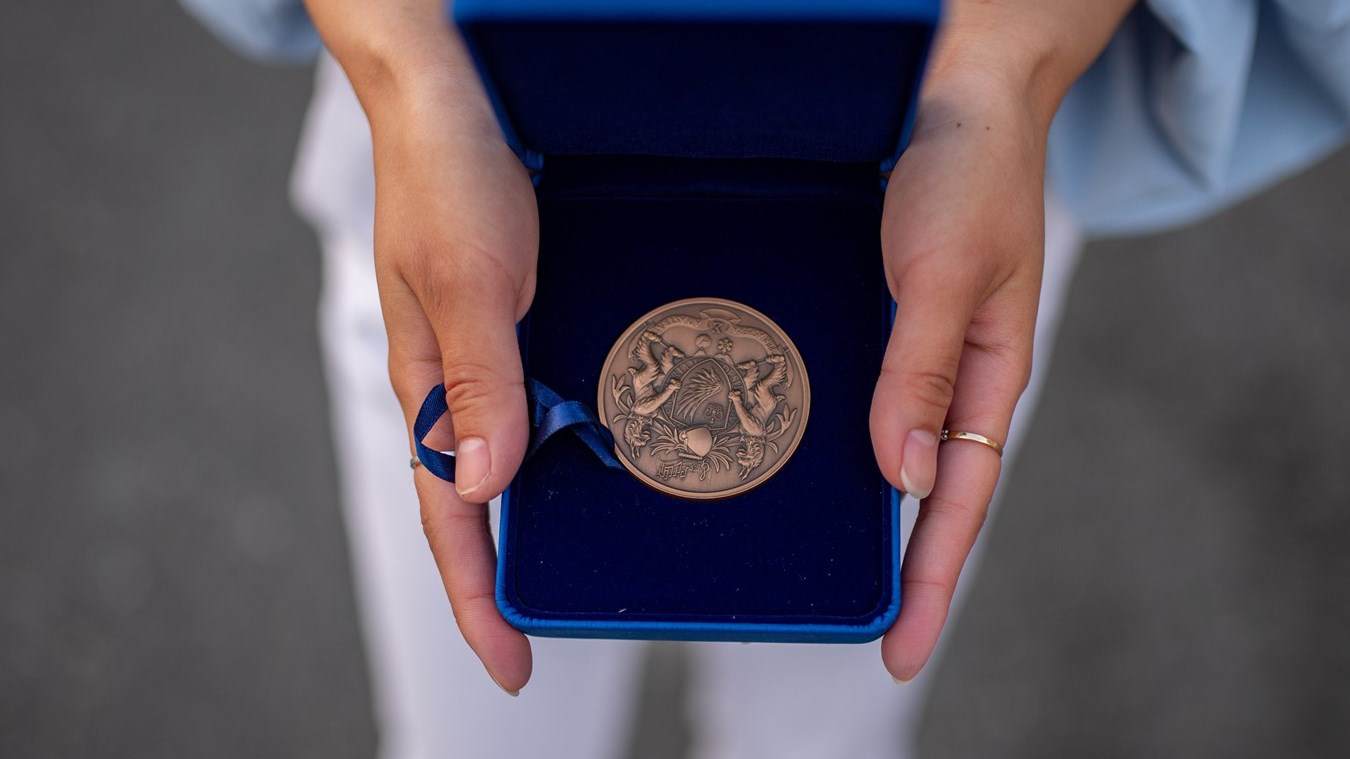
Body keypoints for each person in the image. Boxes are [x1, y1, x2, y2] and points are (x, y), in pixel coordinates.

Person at [182, 0, 1350, 756]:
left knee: (817, 740)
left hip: (946, 181)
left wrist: (1008, 68)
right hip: (456, 155)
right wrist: (405, 71)